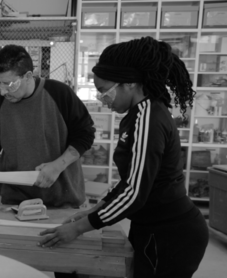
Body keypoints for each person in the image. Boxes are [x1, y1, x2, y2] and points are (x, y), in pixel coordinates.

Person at [38, 37, 209, 278]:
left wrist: (78, 228)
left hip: (170, 233)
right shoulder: (136, 115)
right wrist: (97, 208)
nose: (101, 98)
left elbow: (135, 193)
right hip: (150, 226)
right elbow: (131, 180)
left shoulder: (148, 118)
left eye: (103, 90)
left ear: (129, 83)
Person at [0, 44, 95, 208]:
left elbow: (85, 134)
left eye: (9, 85)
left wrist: (57, 166)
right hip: (16, 201)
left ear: (27, 76)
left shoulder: (60, 94)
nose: (3, 92)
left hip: (63, 198)